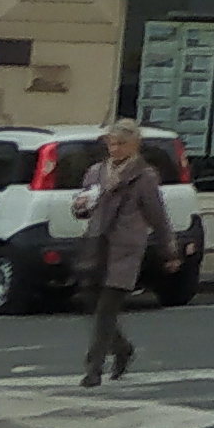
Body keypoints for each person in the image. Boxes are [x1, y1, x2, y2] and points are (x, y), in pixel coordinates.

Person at [69, 120, 176, 389]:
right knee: (92, 303)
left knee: (106, 309)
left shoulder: (145, 176)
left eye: (119, 144)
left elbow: (158, 217)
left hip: (125, 249)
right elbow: (82, 209)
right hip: (96, 245)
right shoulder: (96, 172)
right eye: (110, 144)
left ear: (134, 145)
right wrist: (80, 205)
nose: (113, 149)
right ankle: (122, 348)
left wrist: (169, 250)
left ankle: (93, 369)